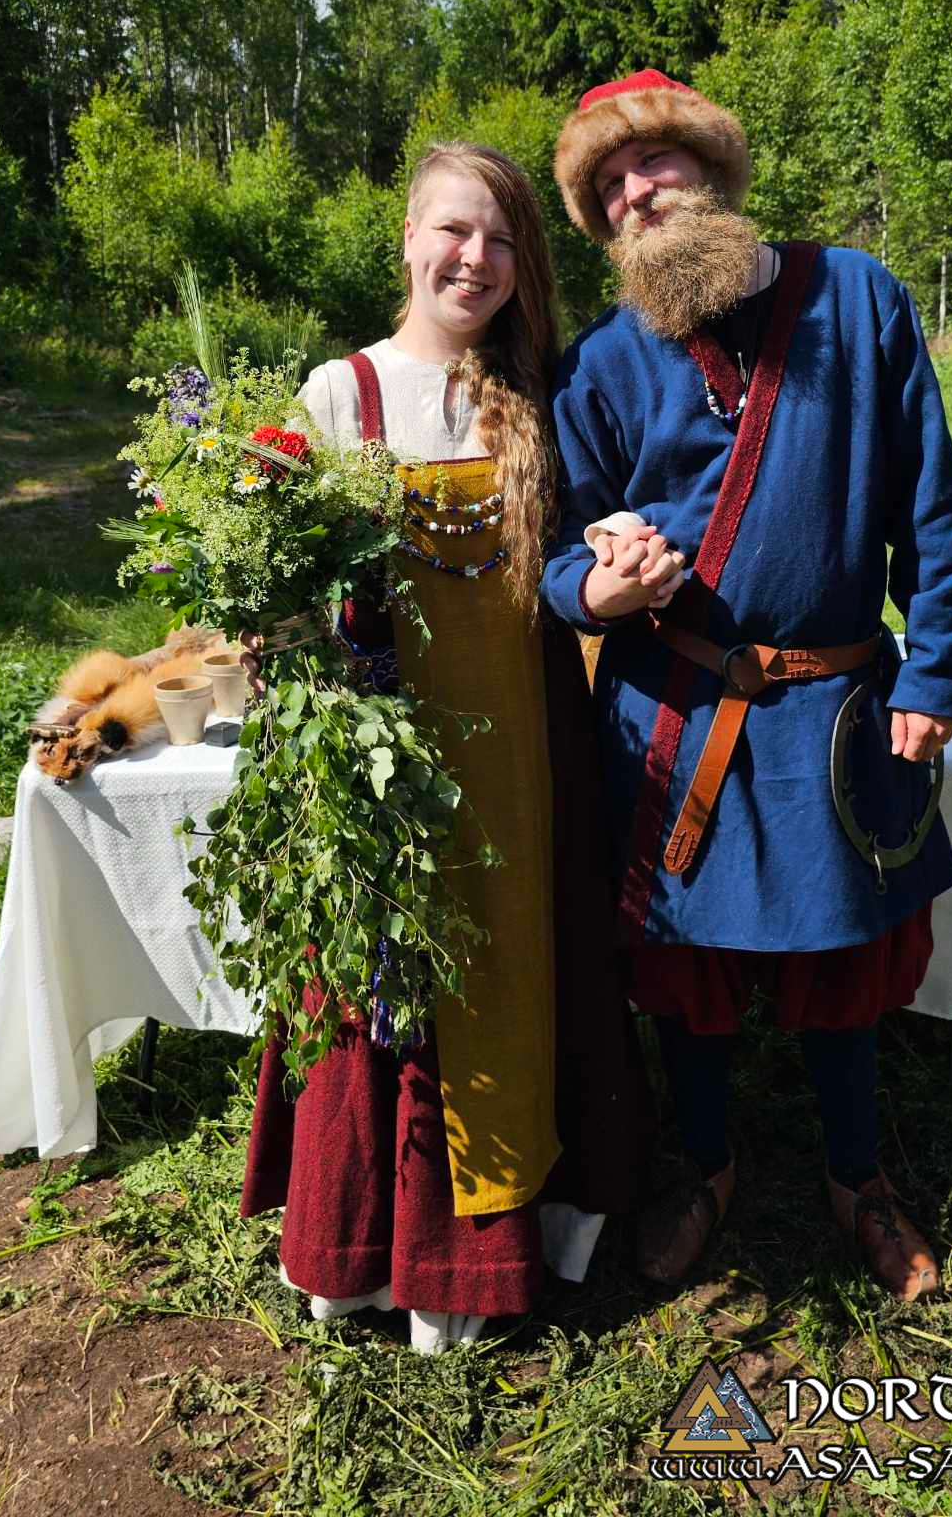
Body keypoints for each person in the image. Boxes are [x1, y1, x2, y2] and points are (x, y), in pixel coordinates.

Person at [539, 70, 952, 1303]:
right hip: (676, 713)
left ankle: (858, 1180)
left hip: (837, 705)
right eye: (610, 187)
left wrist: (934, 664)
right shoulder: (603, 360)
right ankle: (711, 1166)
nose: (637, 196)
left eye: (656, 165)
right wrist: (602, 588)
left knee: (845, 968)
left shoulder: (858, 295)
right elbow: (558, 551)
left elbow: (931, 508)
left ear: (716, 171)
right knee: (689, 973)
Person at [241, 141, 647, 1353]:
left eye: (504, 238)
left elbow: (574, 563)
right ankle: (374, 1252)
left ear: (526, 265)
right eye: (454, 231)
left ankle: (512, 1235)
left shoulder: (540, 398)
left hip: (524, 751)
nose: (476, 258)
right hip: (382, 757)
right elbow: (277, 592)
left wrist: (618, 563)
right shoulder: (337, 395)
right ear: (408, 240)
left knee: (524, 968)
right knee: (386, 993)